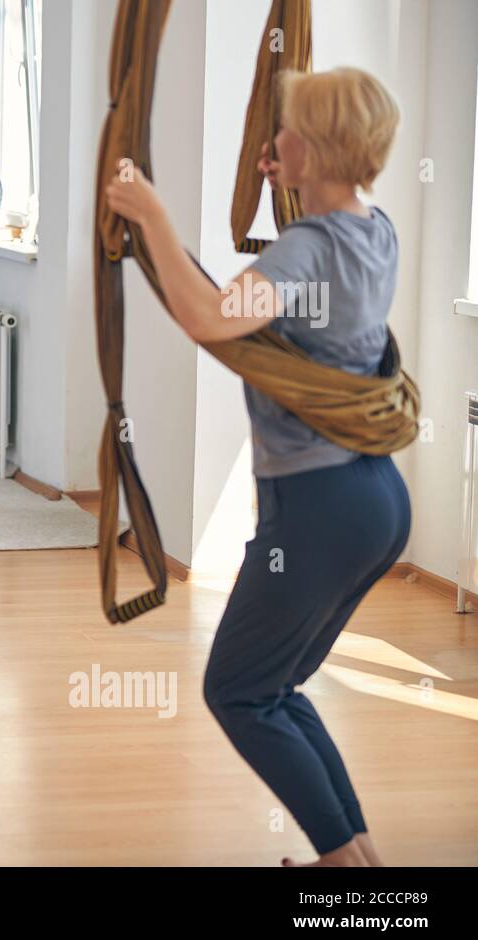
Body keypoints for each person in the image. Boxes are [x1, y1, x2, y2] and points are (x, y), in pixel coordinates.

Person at [105, 67, 408, 866]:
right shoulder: (374, 233)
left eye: (286, 132)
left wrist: (152, 215)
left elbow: (210, 319)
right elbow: (249, 306)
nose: (270, 145)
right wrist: (287, 186)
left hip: (319, 506)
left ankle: (345, 872)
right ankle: (362, 864)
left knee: (238, 692)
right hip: (374, 501)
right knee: (275, 688)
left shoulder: (308, 248)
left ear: (316, 146)